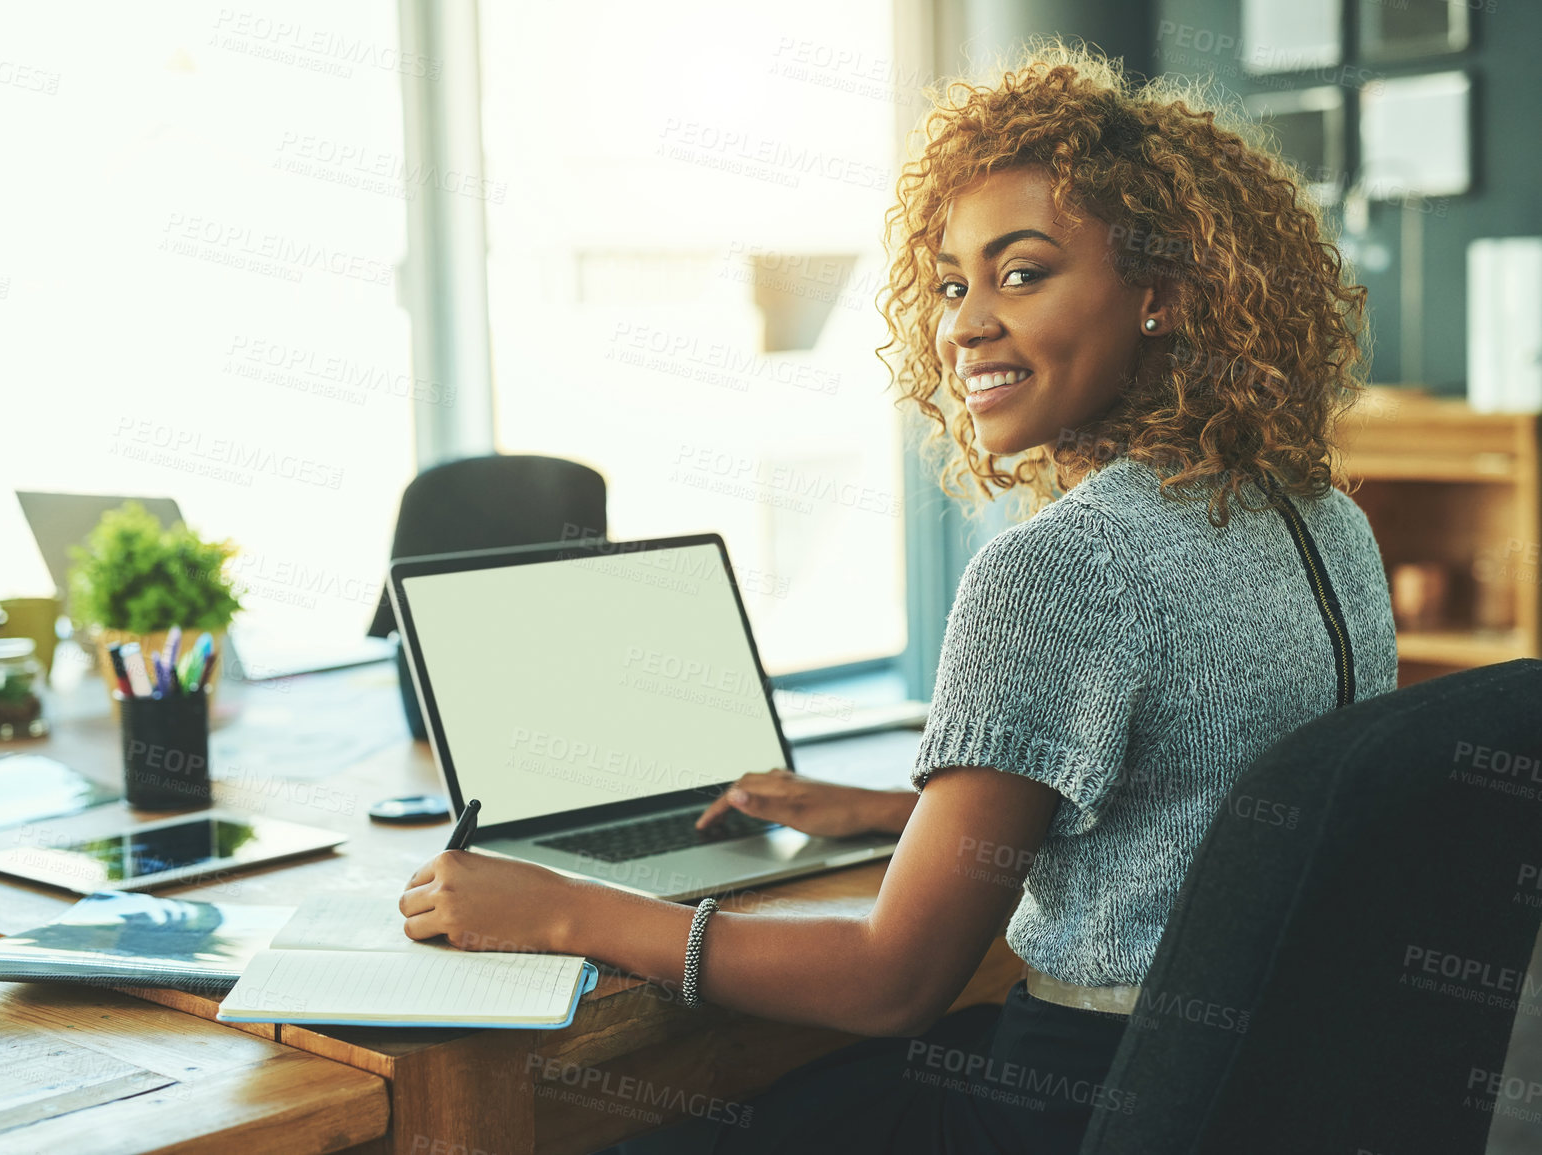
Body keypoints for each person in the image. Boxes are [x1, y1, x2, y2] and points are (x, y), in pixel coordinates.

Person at [398, 37, 1399, 1155]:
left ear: (1160, 294)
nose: (967, 324)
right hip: (1251, 1088)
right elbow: (1198, 810)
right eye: (952, 282)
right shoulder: (1315, 516)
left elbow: (891, 981)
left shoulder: (1064, 567)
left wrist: (562, 909)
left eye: (1023, 273)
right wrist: (899, 817)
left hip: (1074, 1106)